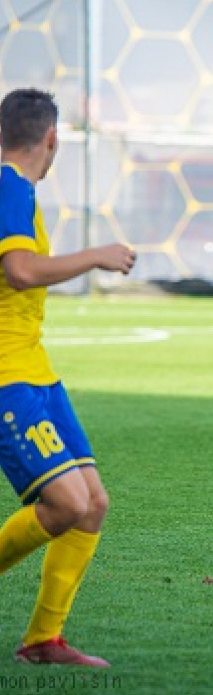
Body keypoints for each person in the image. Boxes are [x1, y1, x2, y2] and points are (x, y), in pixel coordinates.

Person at [0, 88, 136, 665]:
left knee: (92, 503)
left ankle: (42, 641)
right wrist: (96, 255)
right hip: (9, 377)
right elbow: (22, 270)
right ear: (51, 139)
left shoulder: (17, 189)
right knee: (65, 503)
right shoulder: (9, 184)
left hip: (37, 373)